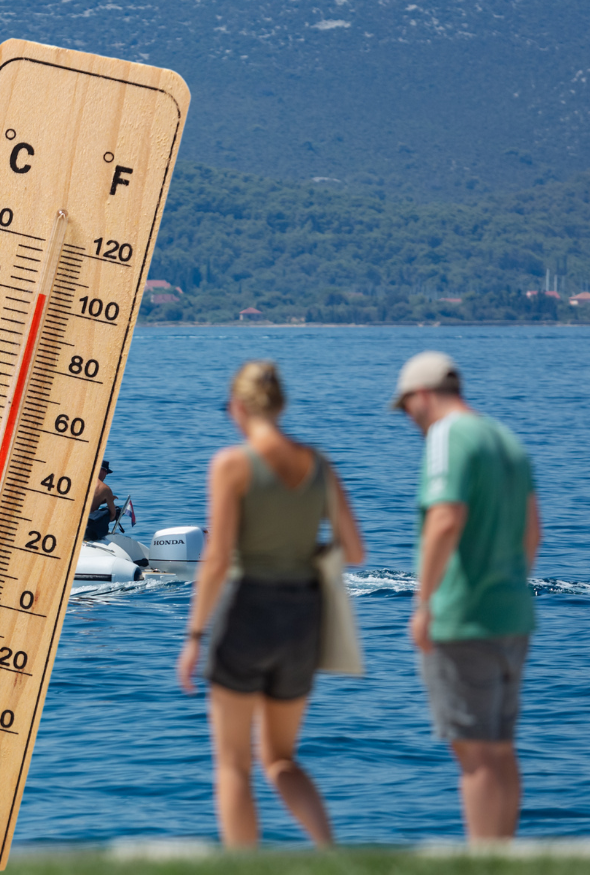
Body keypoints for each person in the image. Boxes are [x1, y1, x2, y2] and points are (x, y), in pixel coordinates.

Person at [176, 361, 365, 848]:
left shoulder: (232, 465)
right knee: (281, 759)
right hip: (303, 618)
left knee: (233, 765)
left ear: (238, 407)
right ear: (280, 406)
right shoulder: (319, 464)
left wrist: (194, 638)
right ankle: (332, 855)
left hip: (247, 614)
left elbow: (216, 559)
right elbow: (356, 550)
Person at [392, 351, 539, 843]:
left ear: (423, 396)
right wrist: (509, 585)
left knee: (473, 755)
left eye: (407, 407)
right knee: (500, 749)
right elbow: (533, 530)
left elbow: (445, 519)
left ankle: (481, 860)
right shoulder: (506, 440)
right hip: (514, 614)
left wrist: (425, 603)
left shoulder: (447, 435)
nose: (409, 419)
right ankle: (506, 856)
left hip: (464, 617)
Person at [84, 459, 121, 542]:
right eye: (106, 473)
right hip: (87, 527)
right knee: (113, 510)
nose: (106, 475)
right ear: (103, 471)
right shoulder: (105, 489)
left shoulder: (81, 480)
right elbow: (112, 515)